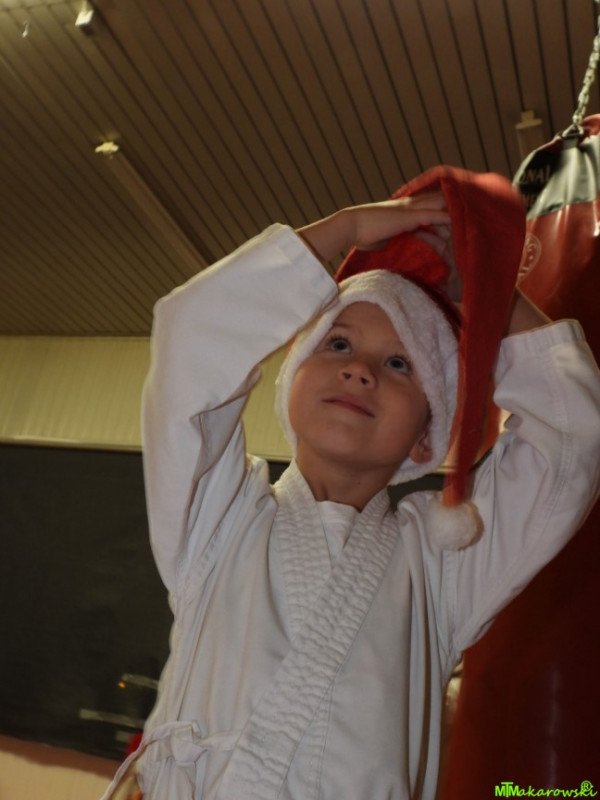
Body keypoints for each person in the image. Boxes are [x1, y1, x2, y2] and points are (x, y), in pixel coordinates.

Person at [101, 176, 600, 800]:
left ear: (427, 437)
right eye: (337, 343)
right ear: (292, 383)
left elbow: (573, 437)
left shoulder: (443, 565)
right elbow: (190, 336)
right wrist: (346, 230)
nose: (359, 370)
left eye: (399, 363)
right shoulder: (217, 517)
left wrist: (488, 291)